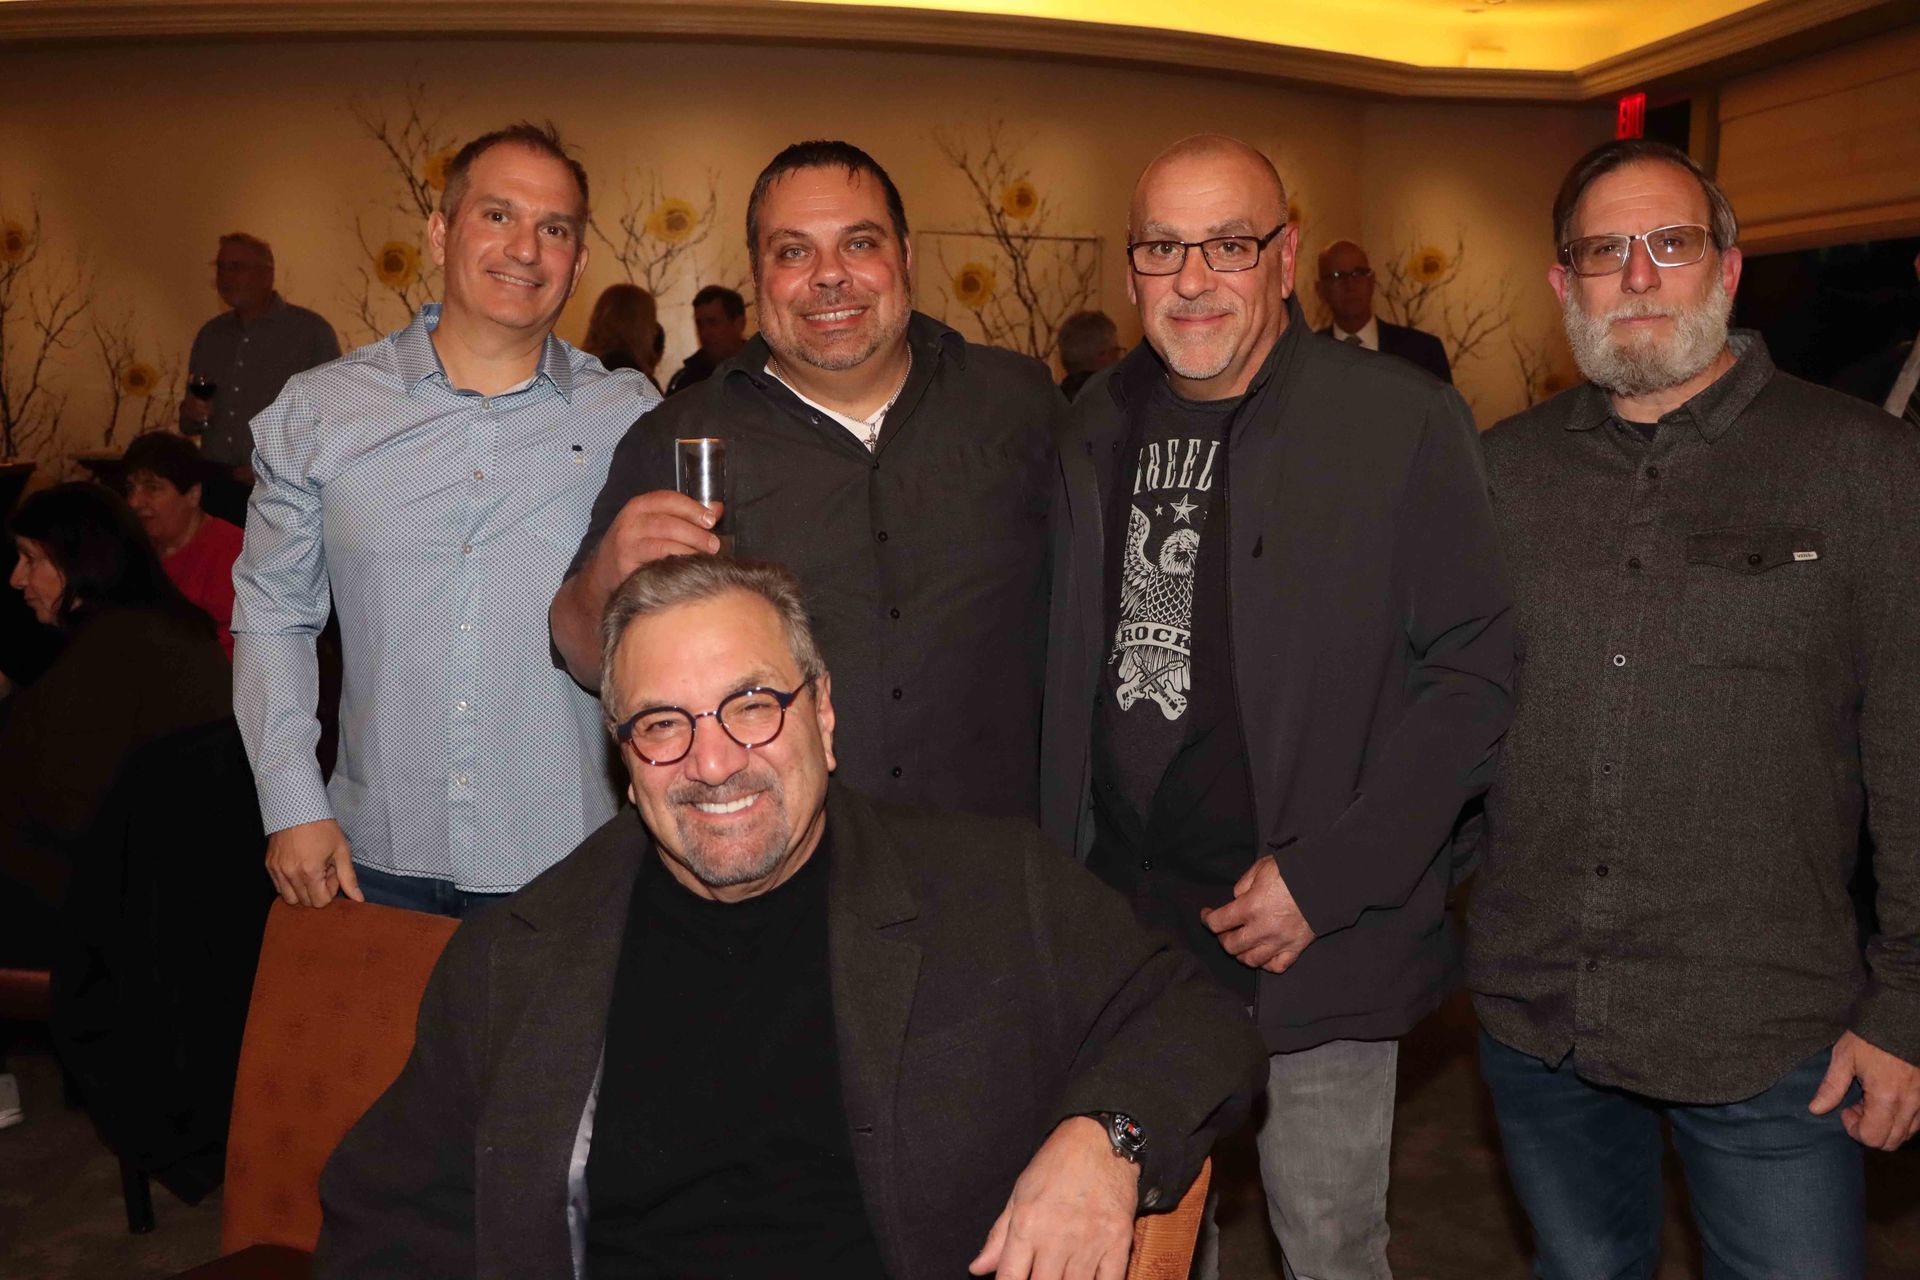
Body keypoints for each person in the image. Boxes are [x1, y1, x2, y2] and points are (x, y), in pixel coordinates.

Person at [315, 554, 1265, 1279]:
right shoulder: (520, 956)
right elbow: (388, 1221)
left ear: (824, 716)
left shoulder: (987, 887)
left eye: (752, 705)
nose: (714, 760)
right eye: (663, 723)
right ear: (626, 761)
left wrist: (1110, 1138)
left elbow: (1194, 1018)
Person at [1042, 135, 1513, 1280]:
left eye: (1230, 244)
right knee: (1153, 1240)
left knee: (1331, 1238)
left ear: (1285, 255)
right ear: (1131, 267)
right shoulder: (1093, 421)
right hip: (1127, 928)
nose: (1193, 278)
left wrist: (1331, 872)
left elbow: (1475, 670)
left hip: (1310, 925)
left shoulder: (1400, 420)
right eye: (1163, 247)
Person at [1469, 138, 1920, 1279]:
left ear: (1726, 268)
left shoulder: (1864, 464)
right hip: (1542, 1015)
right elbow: (1449, 715)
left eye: (1669, 243)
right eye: (1603, 251)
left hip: (1772, 1030)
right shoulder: (1496, 474)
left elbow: (1914, 744)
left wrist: (1908, 1000)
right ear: (1562, 284)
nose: (1637, 276)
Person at [552, 140, 1062, 822]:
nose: (829, 277)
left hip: (1000, 868)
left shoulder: (1021, 406)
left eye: (858, 243)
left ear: (904, 258)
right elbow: (583, 656)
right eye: (793, 251)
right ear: (758, 272)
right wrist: (606, 573)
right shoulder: (674, 436)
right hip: (780, 880)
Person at [233, 122, 661, 917]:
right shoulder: (321, 412)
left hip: (569, 857)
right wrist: (292, 801)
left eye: (555, 228)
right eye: (498, 216)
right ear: (440, 233)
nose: (526, 249)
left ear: (579, 261)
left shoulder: (631, 418)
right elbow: (273, 616)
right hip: (372, 854)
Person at [0, 484, 234, 1135]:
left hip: (111, 918)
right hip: (182, 906)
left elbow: (54, 807)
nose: (18, 579)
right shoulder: (171, 629)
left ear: (81, 561)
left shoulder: (110, 652)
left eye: (30, 558)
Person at [179, 232, 341, 524]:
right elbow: (190, 422)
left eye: (237, 266)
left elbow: (333, 418)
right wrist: (191, 413)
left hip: (280, 490)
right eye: (220, 267)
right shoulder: (210, 336)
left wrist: (273, 465)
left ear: (268, 274)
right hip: (215, 487)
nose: (225, 276)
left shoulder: (310, 333)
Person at [121, 430, 244, 658]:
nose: (134, 502)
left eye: (152, 487)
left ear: (193, 495)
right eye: (130, 488)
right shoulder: (131, 550)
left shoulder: (235, 555)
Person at [1313, 239, 1454, 383]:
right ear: (1320, 290)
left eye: (1358, 273)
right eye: (1338, 276)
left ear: (1372, 281)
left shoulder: (1423, 351)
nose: (1350, 285)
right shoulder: (1304, 356)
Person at [664, 284, 750, 394]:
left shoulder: (765, 372)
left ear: (739, 324)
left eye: (713, 322)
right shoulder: (686, 382)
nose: (705, 333)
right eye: (700, 325)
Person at [581, 281, 664, 382]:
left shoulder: (588, 366)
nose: (655, 331)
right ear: (638, 327)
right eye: (650, 322)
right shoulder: (624, 371)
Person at [1057, 309, 1123, 400]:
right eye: (1116, 351)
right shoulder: (1115, 403)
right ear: (1103, 356)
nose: (1120, 358)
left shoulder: (1052, 402)